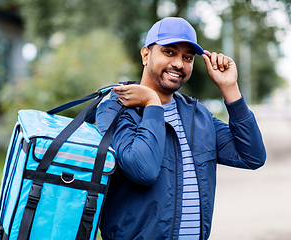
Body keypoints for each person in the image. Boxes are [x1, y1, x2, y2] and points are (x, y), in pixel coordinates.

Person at [95, 17, 266, 240]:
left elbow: (252, 156)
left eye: (187, 57)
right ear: (146, 55)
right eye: (169, 52)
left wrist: (230, 88)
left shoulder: (198, 115)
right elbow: (142, 170)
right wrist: (151, 104)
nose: (179, 63)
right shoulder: (115, 108)